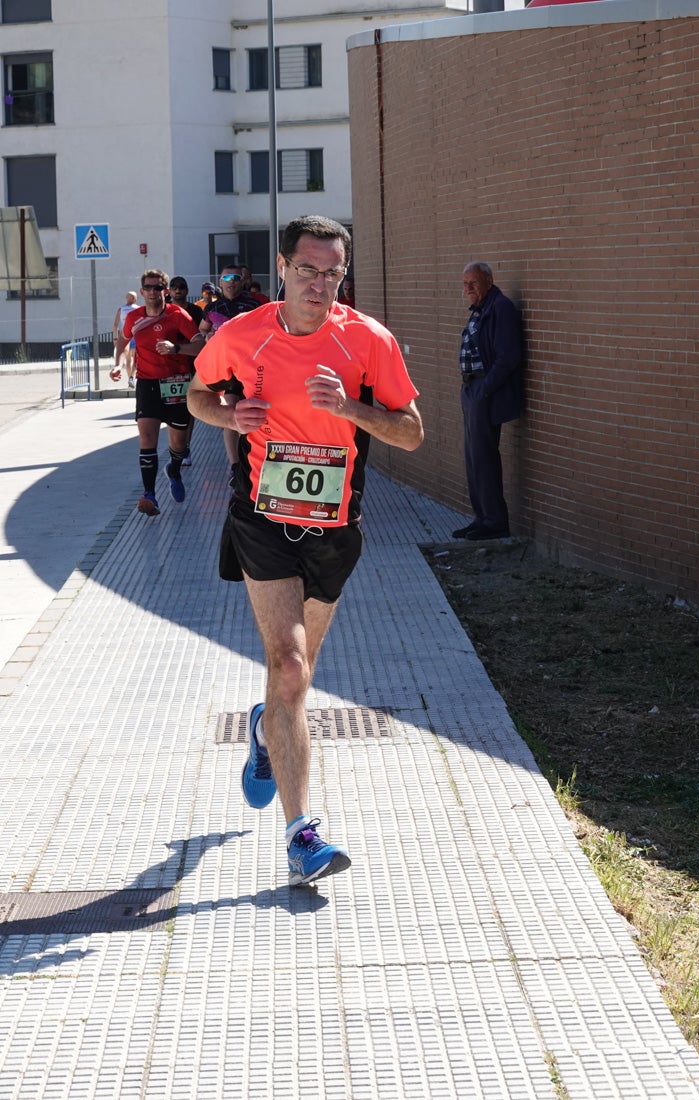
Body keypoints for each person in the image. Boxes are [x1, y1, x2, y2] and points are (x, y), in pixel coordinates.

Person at [187, 215, 423, 886]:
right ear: (282, 269)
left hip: (334, 526)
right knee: (288, 664)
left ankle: (268, 728)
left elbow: (410, 433)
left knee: (296, 676)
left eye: (333, 273)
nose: (321, 284)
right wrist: (229, 415)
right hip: (261, 518)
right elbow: (196, 394)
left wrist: (350, 409)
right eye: (309, 270)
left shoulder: (367, 340)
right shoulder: (240, 334)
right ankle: (302, 837)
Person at [115, 268, 204, 516]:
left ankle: (174, 469)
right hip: (147, 383)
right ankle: (149, 495)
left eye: (157, 288)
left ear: (165, 291)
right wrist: (118, 364)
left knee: (178, 443)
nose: (153, 292)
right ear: (142, 291)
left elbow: (200, 345)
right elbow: (123, 340)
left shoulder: (178, 315)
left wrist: (175, 348)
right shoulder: (134, 317)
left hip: (176, 381)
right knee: (147, 438)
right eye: (148, 288)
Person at [453, 261, 523, 541]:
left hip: (484, 391)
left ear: (489, 281)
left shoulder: (501, 308)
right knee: (473, 458)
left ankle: (494, 521)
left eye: (474, 283)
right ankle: (481, 517)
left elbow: (509, 357)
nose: (468, 288)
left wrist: (484, 389)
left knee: (484, 458)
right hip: (472, 390)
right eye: (465, 284)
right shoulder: (481, 309)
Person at [199, 264, 264, 486]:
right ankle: (235, 466)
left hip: (251, 366)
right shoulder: (212, 308)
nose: (232, 281)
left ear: (242, 281)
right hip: (225, 368)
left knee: (255, 413)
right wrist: (205, 339)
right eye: (227, 277)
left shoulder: (254, 305)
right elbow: (201, 331)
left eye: (236, 277)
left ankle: (255, 459)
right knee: (231, 411)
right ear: (220, 281)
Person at [168, 277, 204, 466]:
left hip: (190, 364)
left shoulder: (195, 311)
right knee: (171, 408)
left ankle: (185, 447)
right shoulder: (164, 310)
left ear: (187, 290)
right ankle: (176, 447)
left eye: (181, 287)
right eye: (174, 288)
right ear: (169, 291)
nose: (178, 291)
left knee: (187, 409)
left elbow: (201, 337)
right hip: (168, 366)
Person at [111, 291, 138, 387]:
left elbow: (115, 325)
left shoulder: (121, 309)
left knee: (128, 360)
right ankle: (132, 377)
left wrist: (115, 338)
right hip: (135, 335)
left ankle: (129, 379)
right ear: (134, 299)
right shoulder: (138, 309)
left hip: (125, 336)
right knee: (136, 359)